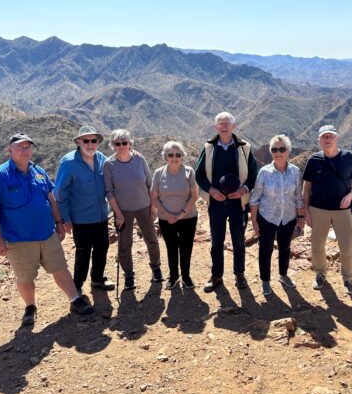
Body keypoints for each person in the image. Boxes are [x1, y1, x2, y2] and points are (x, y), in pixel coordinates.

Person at [0, 133, 94, 326]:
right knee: (25, 277)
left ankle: (75, 300)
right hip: (19, 239)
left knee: (60, 268)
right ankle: (30, 307)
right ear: (10, 150)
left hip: (47, 234)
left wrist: (59, 222)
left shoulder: (38, 172)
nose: (25, 151)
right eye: (20, 147)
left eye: (28, 147)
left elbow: (51, 198)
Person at [195, 111, 258, 292]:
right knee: (216, 241)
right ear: (215, 127)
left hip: (238, 203)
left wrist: (243, 190)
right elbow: (199, 174)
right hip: (216, 202)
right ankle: (217, 276)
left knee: (238, 240)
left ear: (234, 126)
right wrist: (211, 190)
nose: (223, 126)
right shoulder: (208, 148)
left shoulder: (244, 148)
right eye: (220, 123)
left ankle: (239, 274)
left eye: (227, 123)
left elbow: (254, 174)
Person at [54, 126, 114, 296]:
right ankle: (77, 286)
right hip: (80, 219)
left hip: (101, 215)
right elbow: (60, 193)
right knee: (83, 252)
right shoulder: (68, 163)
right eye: (85, 141)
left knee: (102, 247)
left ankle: (97, 279)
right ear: (78, 142)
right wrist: (65, 219)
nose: (90, 144)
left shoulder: (101, 159)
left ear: (98, 143)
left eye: (93, 141)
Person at [302, 125, 352, 294]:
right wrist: (306, 210)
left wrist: (350, 195)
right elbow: (306, 187)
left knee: (348, 245)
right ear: (319, 140)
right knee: (317, 244)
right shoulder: (314, 160)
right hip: (318, 208)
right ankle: (320, 273)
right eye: (324, 137)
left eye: (330, 136)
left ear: (337, 138)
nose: (327, 139)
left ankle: (348, 278)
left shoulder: (350, 158)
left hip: (342, 210)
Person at [103, 129, 163, 290]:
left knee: (151, 239)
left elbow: (150, 184)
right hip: (123, 211)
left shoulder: (139, 159)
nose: (121, 146)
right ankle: (129, 275)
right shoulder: (109, 165)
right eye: (117, 143)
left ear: (130, 144)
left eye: (124, 143)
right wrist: (118, 213)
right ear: (113, 145)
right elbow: (109, 191)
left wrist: (153, 206)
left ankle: (156, 268)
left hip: (144, 206)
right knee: (124, 244)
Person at [250, 135, 305, 296]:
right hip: (267, 217)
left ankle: (283, 275)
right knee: (265, 250)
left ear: (288, 151)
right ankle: (265, 281)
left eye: (281, 149)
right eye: (274, 149)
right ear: (271, 152)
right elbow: (255, 198)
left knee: (285, 248)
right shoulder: (264, 172)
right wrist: (254, 220)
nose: (278, 153)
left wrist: (300, 219)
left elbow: (298, 197)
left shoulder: (295, 172)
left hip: (288, 217)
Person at [150, 141, 199, 290]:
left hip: (188, 217)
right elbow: (154, 197)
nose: (174, 157)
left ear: (182, 156)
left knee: (186, 247)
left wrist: (180, 214)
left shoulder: (189, 171)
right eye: (170, 154)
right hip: (166, 219)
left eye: (178, 154)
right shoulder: (159, 173)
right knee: (171, 248)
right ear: (165, 157)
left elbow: (194, 196)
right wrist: (168, 214)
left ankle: (186, 276)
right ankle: (173, 276)